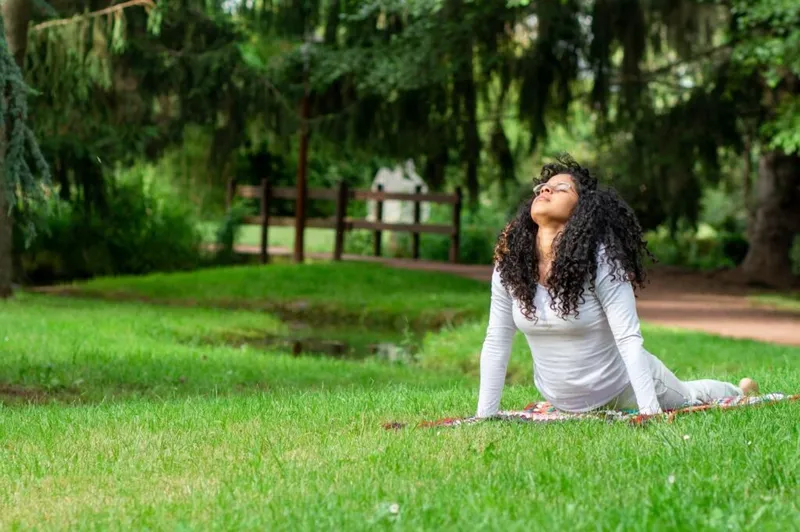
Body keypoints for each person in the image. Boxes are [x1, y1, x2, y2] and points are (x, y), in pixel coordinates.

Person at [476, 154, 758, 418]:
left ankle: (738, 391)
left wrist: (649, 413)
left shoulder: (600, 261)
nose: (544, 191)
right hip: (564, 401)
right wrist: (484, 416)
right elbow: (497, 340)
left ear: (581, 209)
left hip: (626, 390)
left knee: (689, 394)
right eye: (542, 187)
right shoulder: (510, 265)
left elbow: (628, 338)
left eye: (560, 188)